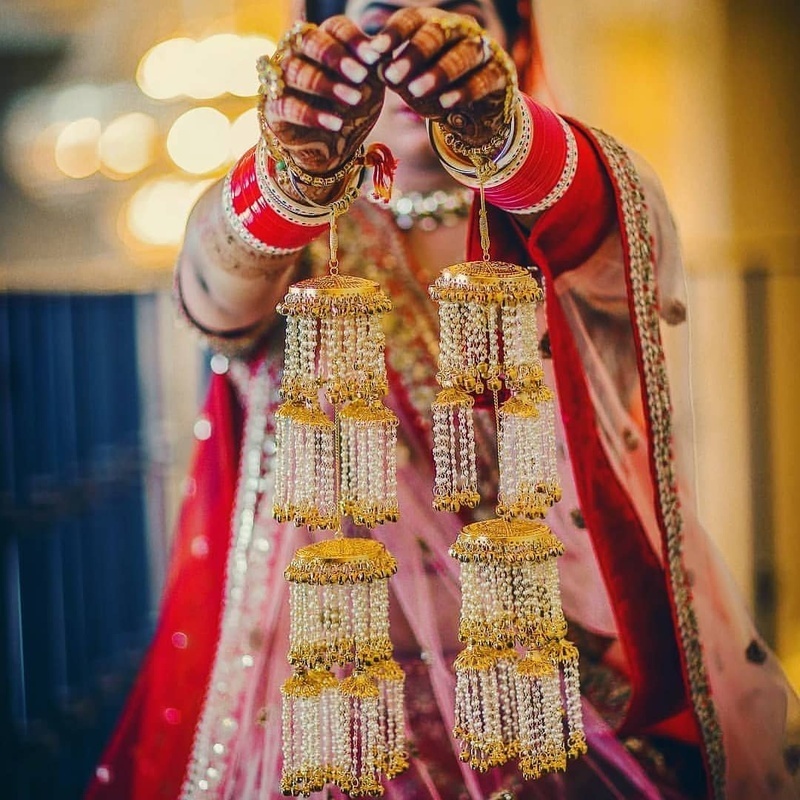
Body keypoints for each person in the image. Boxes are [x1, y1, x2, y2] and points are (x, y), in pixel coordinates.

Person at [86, 1, 800, 798]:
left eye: (449, 15)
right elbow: (217, 289)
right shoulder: (293, 239)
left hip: (563, 683)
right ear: (318, 46)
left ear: (514, 40)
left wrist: (507, 138)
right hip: (343, 712)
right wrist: (295, 180)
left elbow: (619, 239)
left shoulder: (572, 214)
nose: (410, 47)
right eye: (378, 20)